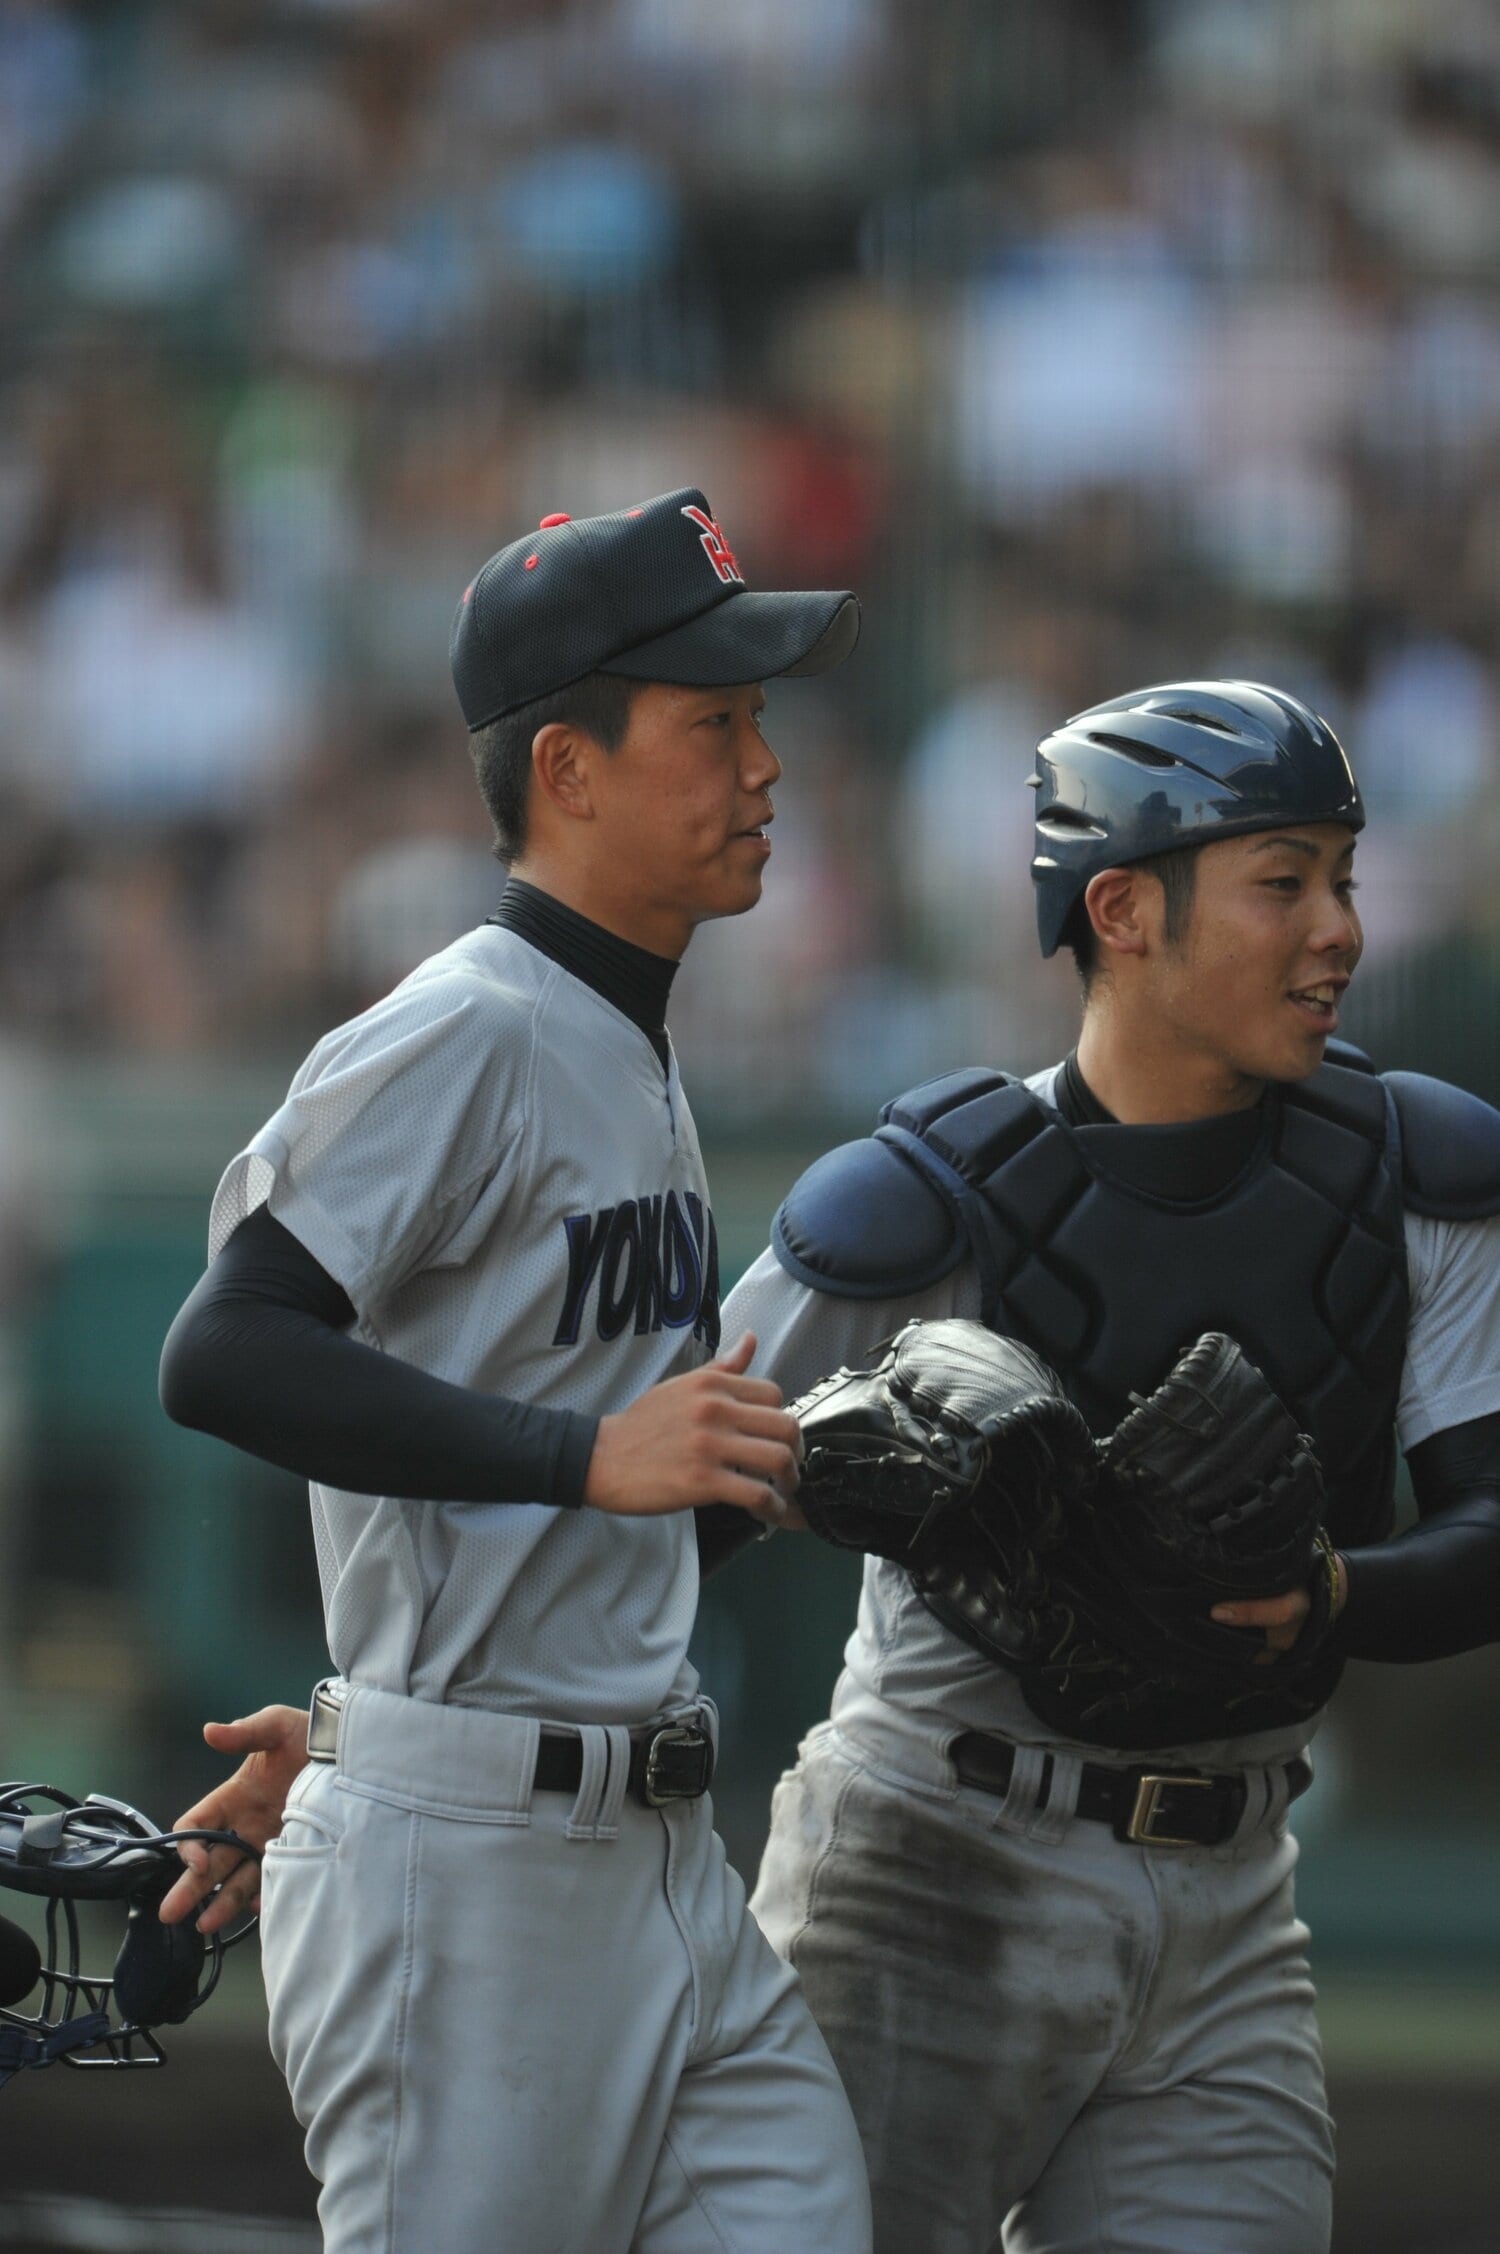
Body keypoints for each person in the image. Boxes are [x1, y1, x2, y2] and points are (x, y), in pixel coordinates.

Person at [168, 677, 1500, 2253]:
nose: (1340, 929)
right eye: (1285, 882)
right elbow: (665, 1500)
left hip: (1236, 1887)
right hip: (940, 1864)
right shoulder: (923, 1198)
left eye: (1344, 878)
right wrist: (381, 1736)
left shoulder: (1413, 1170)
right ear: (1124, 909)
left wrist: (1334, 1594)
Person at [156, 489, 871, 2254]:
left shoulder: (628, 1037)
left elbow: (593, 1491)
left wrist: (756, 1477)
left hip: (647, 1844)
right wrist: (583, 1458)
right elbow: (222, 1348)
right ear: (567, 768)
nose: (765, 762)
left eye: (758, 716)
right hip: (476, 1886)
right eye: (715, 721)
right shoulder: (470, 1021)